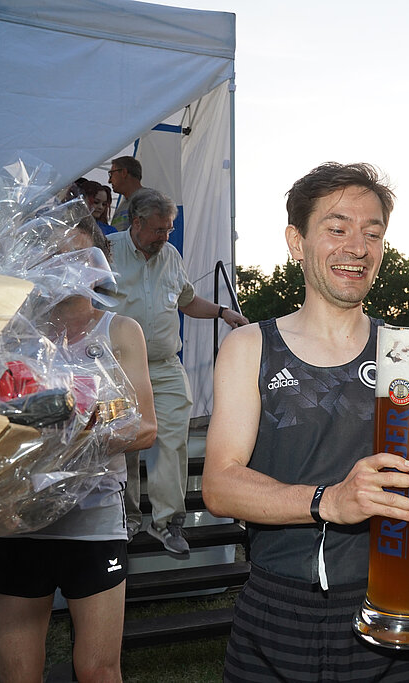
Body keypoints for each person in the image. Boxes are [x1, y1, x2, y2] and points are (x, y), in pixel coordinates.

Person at [203, 162, 409, 682]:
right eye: (337, 228)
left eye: (373, 233)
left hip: (398, 608)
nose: (357, 247)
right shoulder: (250, 346)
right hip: (281, 611)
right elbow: (220, 486)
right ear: (297, 242)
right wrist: (329, 501)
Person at [0, 216, 156, 683]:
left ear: (99, 264)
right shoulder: (11, 334)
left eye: (77, 256)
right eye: (54, 256)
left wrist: (72, 435)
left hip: (93, 521)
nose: (65, 267)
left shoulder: (120, 331)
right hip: (18, 519)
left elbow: (145, 429)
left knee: (96, 670)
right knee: (17, 674)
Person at [106, 187, 248, 552]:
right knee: (124, 444)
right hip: (117, 366)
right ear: (136, 223)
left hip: (167, 366)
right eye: (158, 229)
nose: (165, 236)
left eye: (169, 229)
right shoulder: (107, 252)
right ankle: (126, 520)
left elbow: (186, 301)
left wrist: (222, 312)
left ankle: (168, 522)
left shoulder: (171, 255)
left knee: (171, 439)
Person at [107, 155, 143, 232]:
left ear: (124, 172)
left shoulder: (149, 199)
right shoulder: (124, 204)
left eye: (111, 174)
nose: (109, 181)